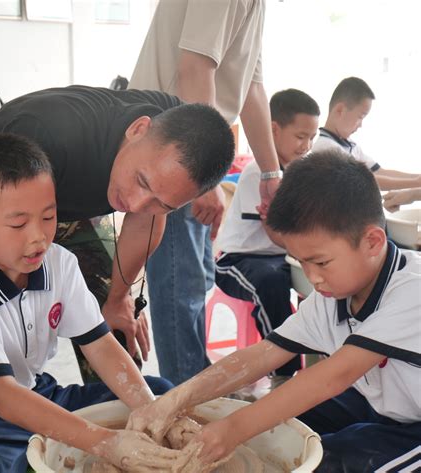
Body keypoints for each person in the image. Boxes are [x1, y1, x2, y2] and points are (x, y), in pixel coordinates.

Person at [126, 151, 421, 472]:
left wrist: (233, 430)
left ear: (372, 242)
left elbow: (335, 375)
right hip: (384, 405)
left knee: (334, 459)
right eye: (301, 261)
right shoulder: (333, 294)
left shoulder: (411, 291)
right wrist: (176, 400)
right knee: (278, 430)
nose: (312, 277)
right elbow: (265, 354)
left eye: (320, 261)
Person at [0, 85, 235, 382]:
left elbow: (146, 219)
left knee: (118, 332)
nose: (136, 204)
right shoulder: (48, 132)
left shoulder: (186, 129)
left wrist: (118, 300)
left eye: (162, 203)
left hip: (69, 202)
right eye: (141, 181)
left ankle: (122, 417)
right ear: (138, 129)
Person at [0, 133, 197, 473]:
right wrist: (106, 443)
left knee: (157, 393)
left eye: (48, 217)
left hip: (38, 394)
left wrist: (152, 413)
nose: (38, 236)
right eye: (18, 223)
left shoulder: (58, 263)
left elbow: (100, 346)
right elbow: (2, 395)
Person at [129, 0, 281, 385]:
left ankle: (190, 389)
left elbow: (252, 89)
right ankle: (182, 405)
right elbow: (194, 68)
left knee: (194, 281)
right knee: (180, 287)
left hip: (186, 144)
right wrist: (205, 175)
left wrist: (271, 171)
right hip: (170, 147)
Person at [215, 88, 320, 388]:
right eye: (301, 136)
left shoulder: (300, 173)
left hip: (280, 256)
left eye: (312, 137)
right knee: (272, 284)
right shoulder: (258, 174)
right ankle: (284, 374)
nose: (307, 145)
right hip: (238, 260)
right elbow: (276, 234)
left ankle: (320, 361)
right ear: (274, 129)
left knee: (321, 281)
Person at [313, 76, 421, 190]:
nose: (360, 125)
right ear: (340, 110)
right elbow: (367, 180)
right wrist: (415, 183)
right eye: (360, 117)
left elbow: (379, 172)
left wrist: (417, 178)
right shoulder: (326, 148)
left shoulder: (350, 144)